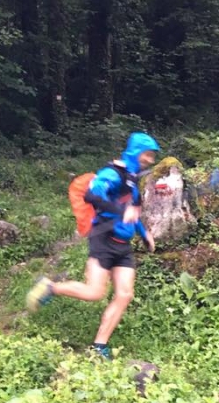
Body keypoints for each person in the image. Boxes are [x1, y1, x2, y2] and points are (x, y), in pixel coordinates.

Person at [26, 132, 160, 359]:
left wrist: (144, 233)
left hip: (123, 246)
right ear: (136, 153)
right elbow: (92, 195)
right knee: (95, 292)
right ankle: (50, 287)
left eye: (152, 156)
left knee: (125, 294)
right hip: (104, 240)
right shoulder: (112, 174)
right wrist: (120, 211)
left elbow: (132, 214)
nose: (151, 160)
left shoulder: (132, 182)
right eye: (147, 155)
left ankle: (99, 347)